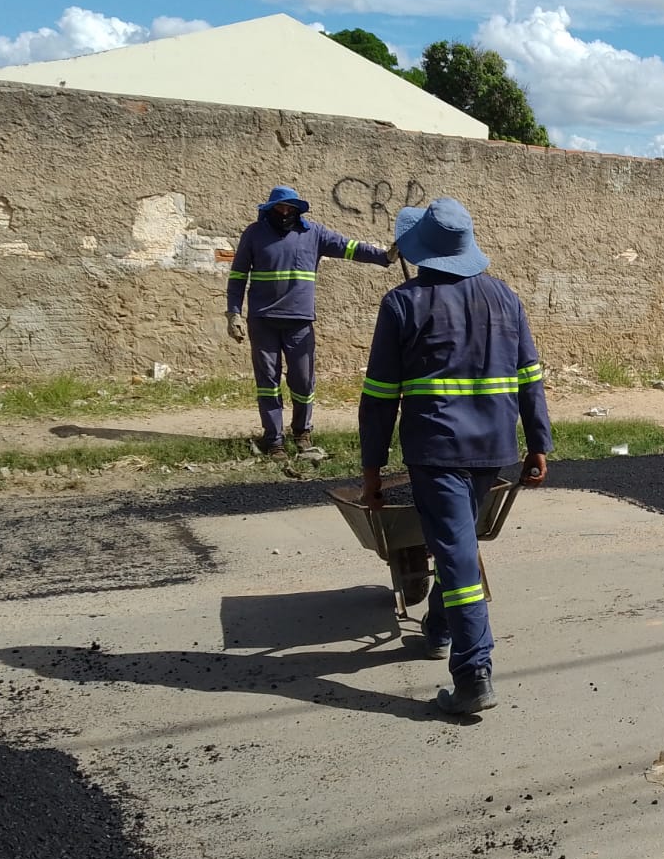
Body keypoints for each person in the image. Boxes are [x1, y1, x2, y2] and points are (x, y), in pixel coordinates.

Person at [358, 198, 552, 717]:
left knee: (460, 560)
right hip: (492, 451)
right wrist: (538, 443)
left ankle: (473, 674)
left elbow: (379, 396)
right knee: (458, 543)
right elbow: (530, 378)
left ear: (422, 250)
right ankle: (440, 627)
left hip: (437, 452)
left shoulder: (401, 303)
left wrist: (372, 470)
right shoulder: (505, 298)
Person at [226, 185, 391, 459]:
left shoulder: (313, 233)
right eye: (280, 208)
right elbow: (238, 276)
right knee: (268, 383)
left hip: (299, 323)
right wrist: (233, 313)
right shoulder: (254, 234)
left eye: (290, 208)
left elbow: (349, 247)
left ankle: (302, 432)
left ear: (297, 210)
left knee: (303, 382)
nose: (285, 212)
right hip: (263, 321)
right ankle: (274, 440)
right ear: (270, 209)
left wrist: (384, 257)